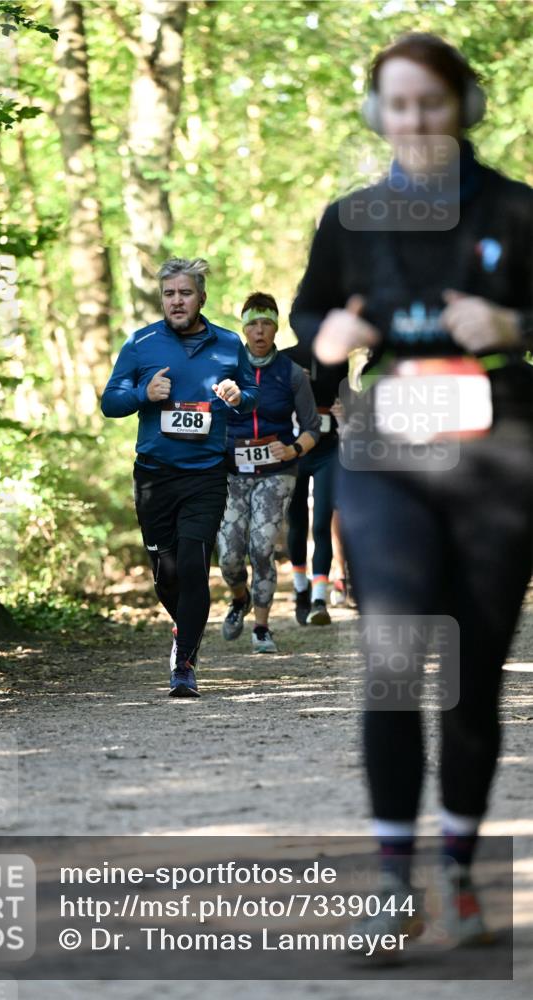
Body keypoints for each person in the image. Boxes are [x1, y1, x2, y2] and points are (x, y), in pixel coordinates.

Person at [292, 33, 533, 943]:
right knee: (392, 658)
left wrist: (511, 318)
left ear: (464, 106)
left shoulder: (516, 212)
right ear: (376, 114)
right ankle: (392, 883)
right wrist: (323, 338)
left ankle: (459, 872)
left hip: (501, 445)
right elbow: (313, 308)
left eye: (431, 102)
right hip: (388, 442)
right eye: (398, 105)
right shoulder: (349, 218)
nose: (415, 120)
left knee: (470, 675)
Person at [101, 258, 258, 698]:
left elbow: (253, 393)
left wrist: (239, 395)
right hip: (154, 476)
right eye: (169, 294)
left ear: (201, 298)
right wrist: (141, 394)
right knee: (166, 574)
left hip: (206, 475)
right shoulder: (141, 343)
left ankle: (184, 662)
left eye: (185, 293)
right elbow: (109, 402)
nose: (176, 301)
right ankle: (184, 625)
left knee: (193, 563)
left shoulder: (229, 345)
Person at [217, 293, 320, 653]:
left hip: (277, 470)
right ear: (243, 328)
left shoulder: (291, 374)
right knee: (229, 555)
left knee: (261, 548)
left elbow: (312, 427)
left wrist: (293, 449)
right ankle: (239, 598)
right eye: (252, 324)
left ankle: (261, 627)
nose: (259, 331)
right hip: (232, 472)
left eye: (266, 323)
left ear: (276, 327)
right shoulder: (226, 368)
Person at [282, 345, 345, 626]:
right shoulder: (283, 357)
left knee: (321, 522)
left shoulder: (338, 357)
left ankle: (320, 596)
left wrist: (348, 409)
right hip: (293, 449)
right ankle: (300, 589)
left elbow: (351, 399)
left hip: (328, 450)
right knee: (296, 522)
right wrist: (292, 382)